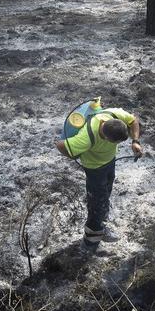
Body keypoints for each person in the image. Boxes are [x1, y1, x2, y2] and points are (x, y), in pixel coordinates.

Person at [56, 106, 142, 251]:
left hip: (109, 162)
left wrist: (135, 141)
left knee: (106, 191)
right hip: (94, 169)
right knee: (96, 202)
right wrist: (74, 155)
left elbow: (133, 120)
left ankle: (103, 218)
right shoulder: (86, 138)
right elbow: (60, 145)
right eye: (115, 143)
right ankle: (90, 242)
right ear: (107, 138)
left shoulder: (115, 115)